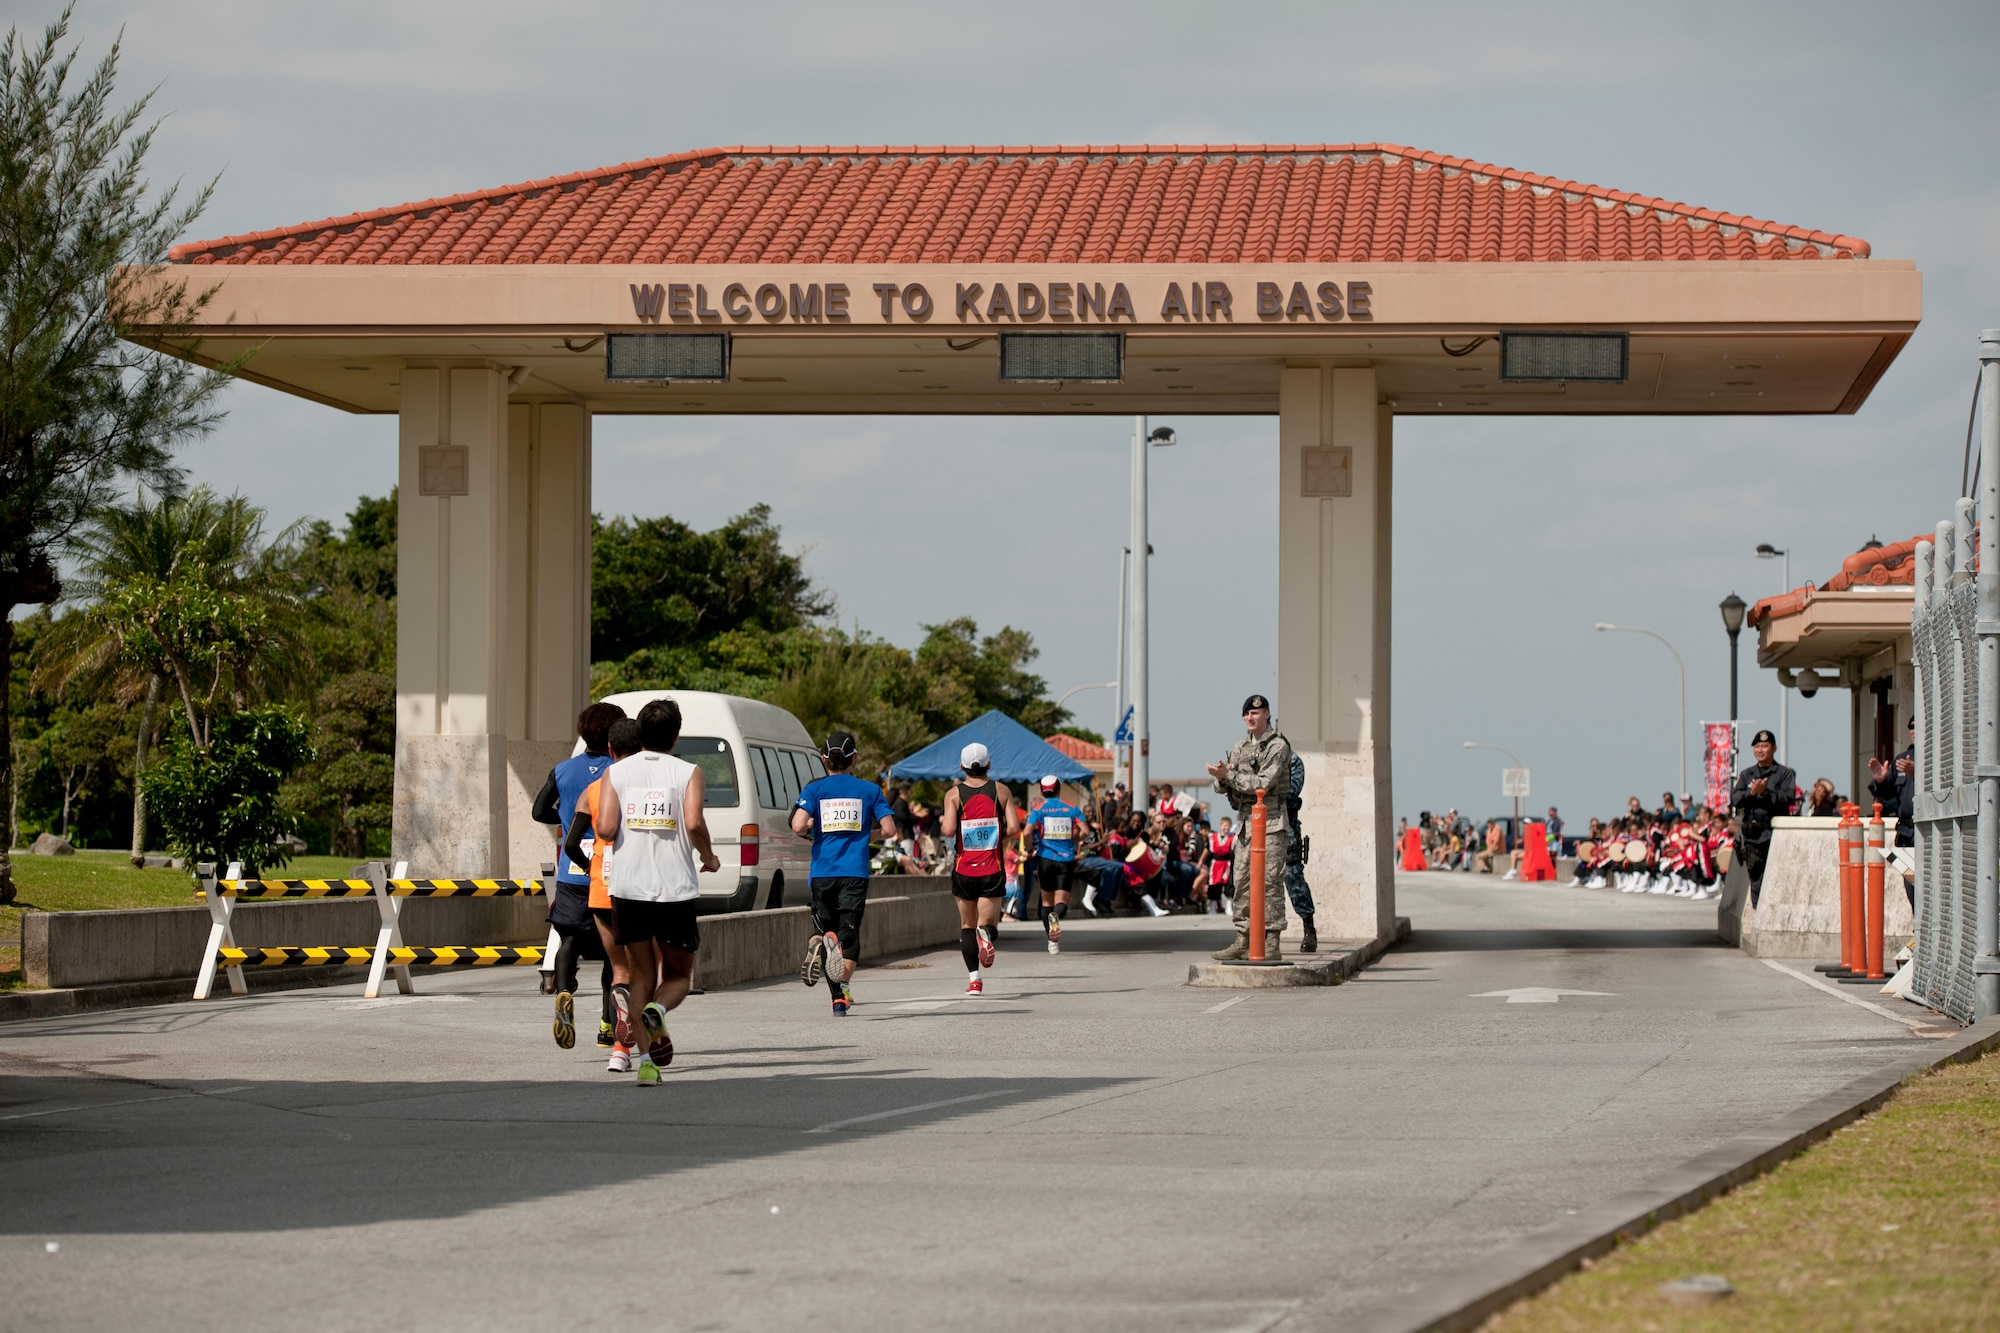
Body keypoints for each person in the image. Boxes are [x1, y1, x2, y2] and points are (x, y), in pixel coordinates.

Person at [591, 698, 720, 1085]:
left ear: (640, 733)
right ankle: (660, 1010)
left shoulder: (617, 772)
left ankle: (646, 1064)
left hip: (628, 888)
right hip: (674, 888)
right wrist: (709, 856)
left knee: (640, 975)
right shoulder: (689, 772)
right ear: (676, 735)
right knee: (678, 975)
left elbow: (607, 828)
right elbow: (694, 821)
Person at [530, 701, 626, 1047]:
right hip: (607, 866)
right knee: (610, 949)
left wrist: (570, 820)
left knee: (569, 936)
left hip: (571, 868)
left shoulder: (563, 770)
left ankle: (564, 990)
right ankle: (606, 1024)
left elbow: (539, 811)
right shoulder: (618, 770)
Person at [790, 730, 898, 1016]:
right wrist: (867, 835)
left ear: (824, 759)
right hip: (855, 872)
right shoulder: (870, 791)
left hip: (823, 871)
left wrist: (816, 829)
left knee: (823, 930)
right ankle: (839, 991)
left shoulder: (814, 790)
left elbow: (798, 826)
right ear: (855, 758)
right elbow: (890, 830)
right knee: (847, 933)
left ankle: (818, 950)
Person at [564, 718, 642, 1070]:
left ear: (611, 751)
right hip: (642, 889)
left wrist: (588, 865)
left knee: (618, 971)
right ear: (642, 749)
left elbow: (569, 844)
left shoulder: (593, 791)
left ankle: (618, 1052)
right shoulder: (649, 791)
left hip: (601, 889)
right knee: (643, 971)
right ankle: (634, 1046)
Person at [1205, 694, 1293, 961]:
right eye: (1247, 715)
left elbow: (1262, 784)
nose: (1250, 719)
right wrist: (1221, 776)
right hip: (1245, 825)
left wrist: (1229, 776)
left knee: (1270, 883)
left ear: (1267, 714)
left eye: (1256, 714)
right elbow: (1222, 786)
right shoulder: (1239, 747)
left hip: (1272, 823)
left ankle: (1272, 941)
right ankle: (1243, 939)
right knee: (1241, 882)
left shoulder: (1277, 746)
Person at [941, 742, 1021, 994]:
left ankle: (974, 980)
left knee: (966, 925)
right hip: (992, 868)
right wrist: (997, 836)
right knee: (987, 924)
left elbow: (949, 830)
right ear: (989, 764)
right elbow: (1015, 828)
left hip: (964, 869)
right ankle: (985, 935)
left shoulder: (953, 794)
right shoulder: (1001, 791)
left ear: (962, 766)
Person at [1730, 728, 1797, 907]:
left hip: (1774, 835)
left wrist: (1765, 792)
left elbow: (1788, 797)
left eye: (1765, 746)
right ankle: (1758, 913)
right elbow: (1735, 799)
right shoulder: (1747, 775)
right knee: (1756, 879)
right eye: (1757, 746)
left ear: (1773, 748)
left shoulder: (1784, 774)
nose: (1760, 750)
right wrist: (1751, 793)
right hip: (1753, 837)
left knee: (1777, 879)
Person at [1025, 775, 1085, 953]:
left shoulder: (1038, 810)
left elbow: (1027, 833)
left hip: (1044, 859)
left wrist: (1029, 850)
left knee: (1046, 902)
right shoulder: (1072, 809)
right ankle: (1056, 916)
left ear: (1041, 792)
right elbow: (1086, 830)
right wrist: (1076, 841)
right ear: (1059, 789)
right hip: (1066, 860)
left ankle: (1052, 943)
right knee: (1061, 902)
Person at [1868, 715, 1916, 904]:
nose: (1913, 730)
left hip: (1929, 833)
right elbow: (1888, 798)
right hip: (1906, 833)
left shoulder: (1937, 756)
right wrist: (1881, 781)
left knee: (1929, 885)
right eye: (1910, 726)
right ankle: (1917, 929)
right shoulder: (1901, 759)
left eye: (1917, 725)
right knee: (1911, 885)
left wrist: (1918, 772)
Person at [1282, 751, 1317, 953]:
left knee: (1294, 880)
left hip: (1287, 830)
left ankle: (1309, 928)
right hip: (1259, 829)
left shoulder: (1291, 760)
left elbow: (1291, 793)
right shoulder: (1249, 754)